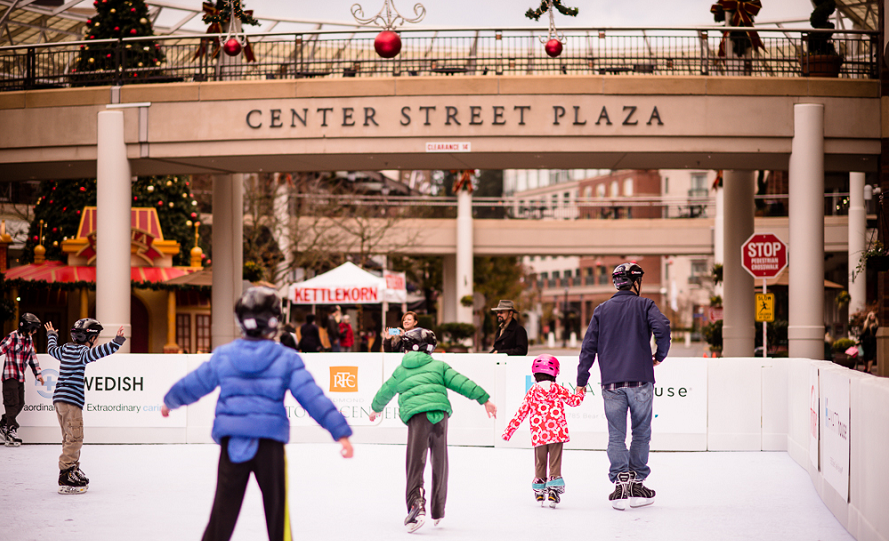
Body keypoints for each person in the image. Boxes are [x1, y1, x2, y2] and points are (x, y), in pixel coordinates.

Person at [161, 287, 353, 541]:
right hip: (269, 444)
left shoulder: (224, 355)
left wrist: (170, 401)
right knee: (277, 513)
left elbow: (194, 384)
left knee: (222, 512)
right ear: (275, 321)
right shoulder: (286, 357)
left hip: (233, 443)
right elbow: (312, 397)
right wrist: (340, 432)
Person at [368, 328, 497, 533]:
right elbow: (461, 382)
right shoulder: (439, 365)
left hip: (418, 416)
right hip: (440, 415)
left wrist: (375, 409)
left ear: (408, 348)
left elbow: (386, 391)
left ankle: (416, 505)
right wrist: (484, 399)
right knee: (440, 461)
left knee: (415, 462)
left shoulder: (401, 370)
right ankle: (438, 509)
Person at [576, 262, 670, 511]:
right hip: (641, 379)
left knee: (616, 435)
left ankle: (620, 485)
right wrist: (659, 355)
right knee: (641, 433)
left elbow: (588, 347)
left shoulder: (601, 310)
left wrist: (581, 381)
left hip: (611, 383)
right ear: (634, 282)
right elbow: (662, 328)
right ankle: (638, 485)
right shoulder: (645, 305)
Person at [45, 318, 126, 494]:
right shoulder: (83, 352)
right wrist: (117, 341)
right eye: (96, 337)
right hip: (72, 401)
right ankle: (66, 473)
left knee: (69, 436)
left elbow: (51, 350)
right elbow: (102, 352)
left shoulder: (65, 349)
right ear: (90, 338)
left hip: (59, 400)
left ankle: (72, 469)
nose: (96, 341)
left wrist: (52, 335)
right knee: (75, 437)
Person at [502, 354, 584, 508]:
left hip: (539, 434)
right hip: (557, 432)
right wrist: (581, 392)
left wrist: (508, 432)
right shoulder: (558, 388)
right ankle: (553, 492)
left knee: (540, 462)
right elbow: (574, 402)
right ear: (555, 372)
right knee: (555, 462)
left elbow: (521, 412)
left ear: (535, 373)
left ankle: (540, 492)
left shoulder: (532, 391)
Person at [0, 313, 45, 447]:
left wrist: (38, 374)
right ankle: (11, 430)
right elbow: (1, 348)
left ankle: (4, 424)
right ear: (27, 327)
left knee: (20, 403)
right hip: (10, 376)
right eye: (34, 328)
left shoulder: (29, 339)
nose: (35, 331)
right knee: (12, 403)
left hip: (20, 377)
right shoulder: (13, 336)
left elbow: (32, 357)